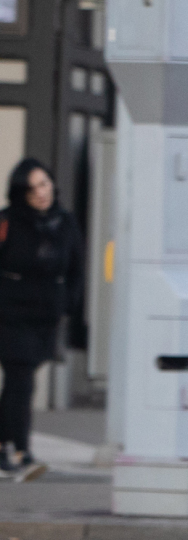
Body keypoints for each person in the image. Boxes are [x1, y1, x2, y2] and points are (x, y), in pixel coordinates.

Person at [0, 158, 83, 481]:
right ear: (20, 192)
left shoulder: (65, 222)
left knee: (17, 382)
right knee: (21, 380)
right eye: (32, 188)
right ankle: (23, 450)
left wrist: (67, 306)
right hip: (9, 311)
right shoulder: (7, 221)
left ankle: (3, 443)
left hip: (46, 313)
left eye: (44, 184)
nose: (40, 193)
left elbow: (76, 267)